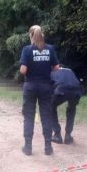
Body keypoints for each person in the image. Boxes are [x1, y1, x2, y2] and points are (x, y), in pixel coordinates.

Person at [20, 25, 60, 156]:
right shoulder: (50, 49)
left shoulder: (27, 50)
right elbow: (56, 68)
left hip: (30, 86)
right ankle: (48, 147)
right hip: (46, 87)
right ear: (41, 34)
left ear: (31, 35)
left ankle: (28, 147)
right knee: (46, 116)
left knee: (29, 117)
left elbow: (23, 70)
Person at [50, 67, 83, 144]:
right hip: (77, 90)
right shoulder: (69, 70)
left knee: (50, 107)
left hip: (62, 88)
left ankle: (57, 135)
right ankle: (68, 136)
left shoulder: (51, 72)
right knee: (71, 109)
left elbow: (49, 88)